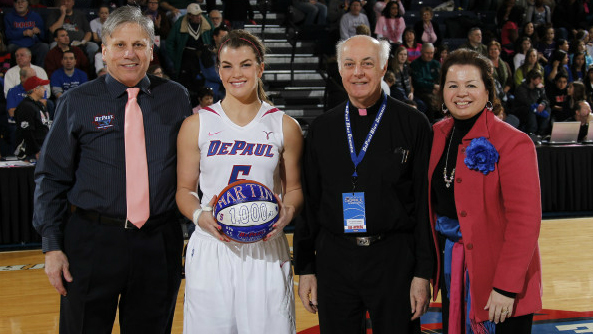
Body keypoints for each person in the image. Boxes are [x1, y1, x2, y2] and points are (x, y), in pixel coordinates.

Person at [33, 6, 191, 333]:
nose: (129, 54)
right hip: (91, 242)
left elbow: (193, 167)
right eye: (119, 45)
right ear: (103, 51)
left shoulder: (176, 98)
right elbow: (51, 177)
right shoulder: (77, 101)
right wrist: (52, 245)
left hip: (159, 241)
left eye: (138, 44)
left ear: (152, 49)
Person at [294, 34, 433, 333]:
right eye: (350, 64)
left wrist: (423, 273)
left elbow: (424, 205)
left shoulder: (414, 124)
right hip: (335, 259)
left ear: (383, 68)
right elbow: (311, 202)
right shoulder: (321, 129)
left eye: (367, 63)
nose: (358, 72)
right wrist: (306, 268)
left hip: (394, 259)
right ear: (340, 71)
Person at [177, 29, 303, 333]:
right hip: (212, 246)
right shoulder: (197, 124)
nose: (237, 74)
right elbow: (184, 191)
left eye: (246, 65)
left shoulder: (284, 125)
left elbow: (294, 190)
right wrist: (199, 216)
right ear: (218, 71)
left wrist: (288, 212)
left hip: (266, 247)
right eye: (227, 66)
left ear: (260, 68)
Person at [429, 48, 542, 334]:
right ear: (442, 91)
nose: (461, 93)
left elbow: (525, 223)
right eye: (453, 85)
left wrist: (505, 286)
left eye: (471, 85)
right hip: (452, 272)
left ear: (488, 90)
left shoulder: (514, 142)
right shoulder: (434, 135)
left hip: (502, 284)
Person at [166, 3, 213, 89]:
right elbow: (169, 42)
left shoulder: (206, 21)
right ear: (189, 16)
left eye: (199, 14)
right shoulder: (180, 23)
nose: (199, 16)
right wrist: (176, 57)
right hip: (187, 57)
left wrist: (211, 49)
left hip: (203, 56)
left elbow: (214, 36)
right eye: (196, 15)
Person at [47, 0, 100, 68]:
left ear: (73, 3)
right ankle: (58, 70)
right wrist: (63, 14)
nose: (65, 3)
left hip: (80, 42)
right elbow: (53, 30)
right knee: (53, 46)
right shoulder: (54, 14)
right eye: (63, 1)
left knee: (93, 46)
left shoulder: (80, 14)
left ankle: (91, 70)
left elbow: (88, 32)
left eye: (68, 1)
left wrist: (83, 41)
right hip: (60, 43)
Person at [14, 75, 50, 160]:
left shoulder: (39, 104)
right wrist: (36, 150)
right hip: (32, 152)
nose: (44, 89)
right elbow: (27, 132)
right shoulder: (25, 107)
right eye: (42, 87)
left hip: (43, 146)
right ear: (35, 89)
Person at [3, 0, 49, 67]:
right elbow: (8, 35)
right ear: (14, 4)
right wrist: (23, 33)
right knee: (11, 47)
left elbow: (43, 36)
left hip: (32, 45)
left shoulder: (36, 16)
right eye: (17, 2)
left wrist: (38, 32)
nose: (20, 4)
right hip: (17, 45)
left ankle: (39, 71)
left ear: (27, 3)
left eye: (22, 1)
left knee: (44, 47)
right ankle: (15, 72)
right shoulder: (9, 17)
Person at [513, 69, 551, 135]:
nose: (540, 81)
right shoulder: (521, 89)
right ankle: (532, 133)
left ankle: (541, 134)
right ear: (532, 79)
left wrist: (543, 104)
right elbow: (529, 102)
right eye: (538, 79)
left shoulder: (539, 88)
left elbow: (546, 99)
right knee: (531, 110)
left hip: (535, 108)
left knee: (548, 109)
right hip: (522, 110)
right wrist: (536, 90)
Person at [411, 42, 441, 122]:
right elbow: (418, 82)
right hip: (422, 91)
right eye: (427, 53)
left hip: (436, 90)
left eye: (432, 53)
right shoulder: (415, 64)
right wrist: (433, 86)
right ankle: (431, 125)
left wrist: (437, 87)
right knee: (430, 102)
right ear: (421, 52)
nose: (430, 55)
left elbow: (441, 78)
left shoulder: (436, 63)